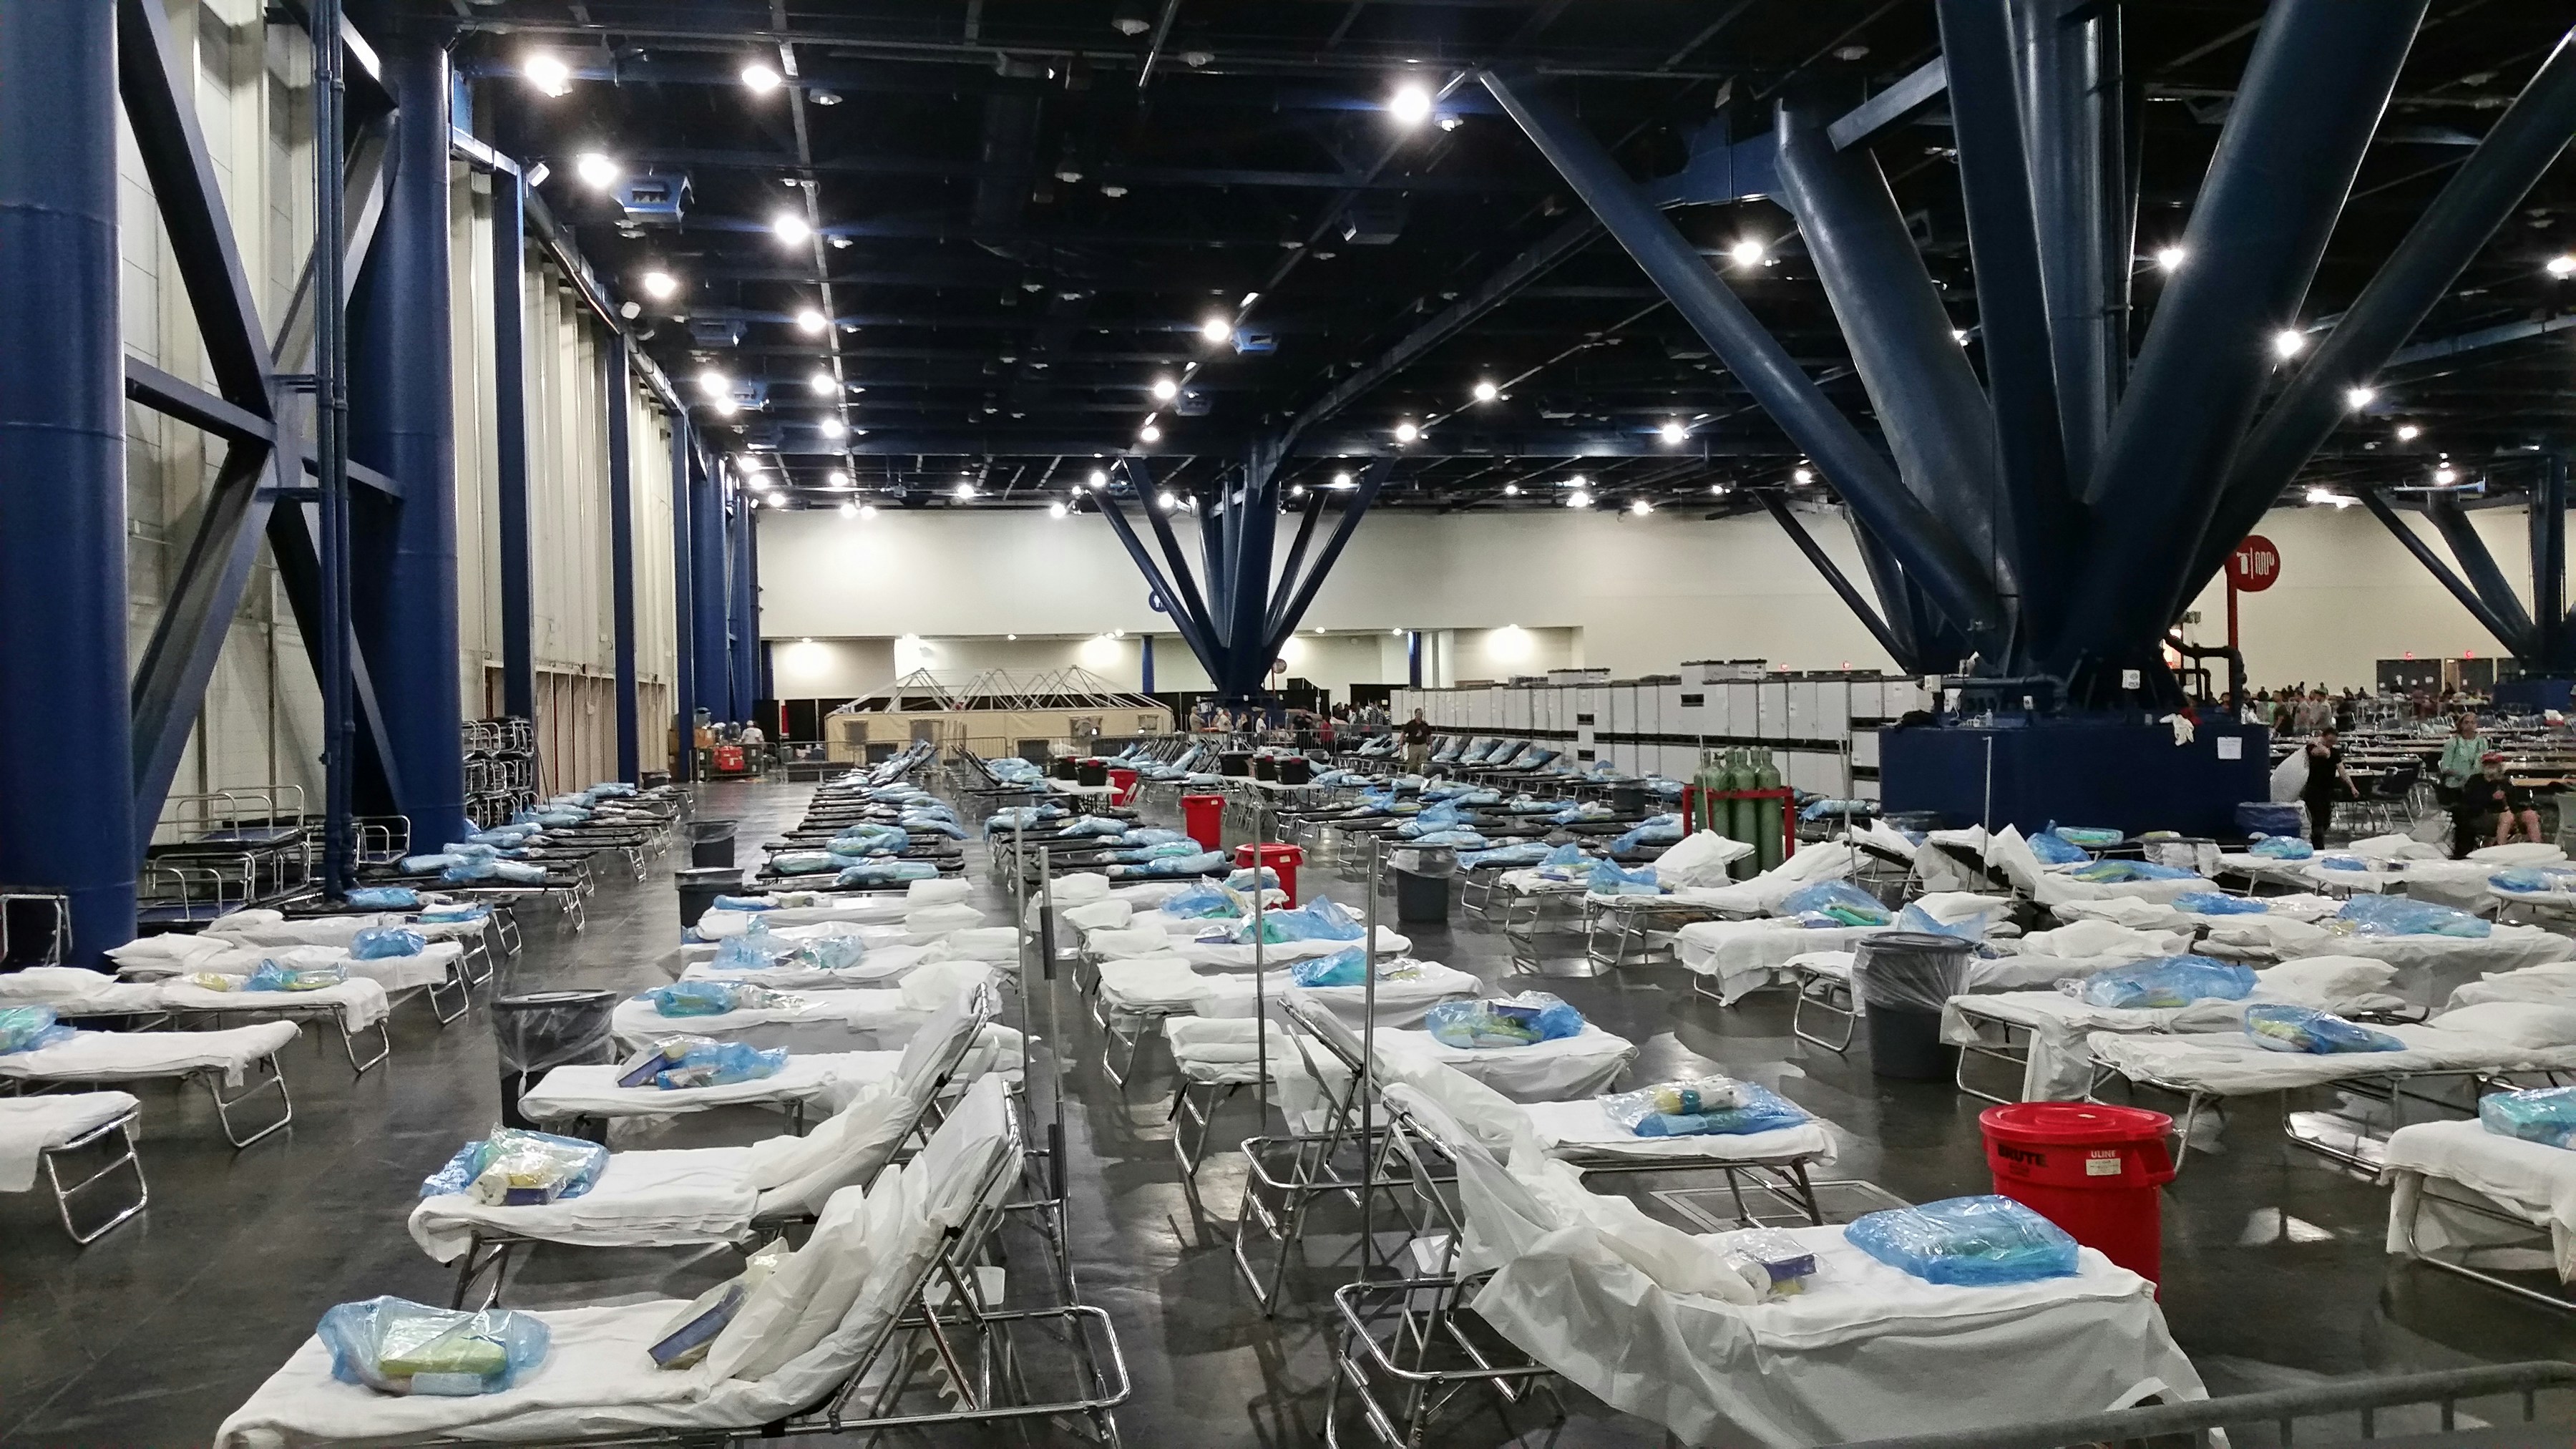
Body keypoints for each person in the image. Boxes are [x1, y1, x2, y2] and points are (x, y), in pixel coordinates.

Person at [2454, 752, 2544, 855]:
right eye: (2488, 764)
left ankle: (2539, 849)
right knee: (2507, 817)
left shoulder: (2505, 782)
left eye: (2493, 764)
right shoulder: (2475, 780)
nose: (2490, 767)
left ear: (2499, 766)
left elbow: (2515, 804)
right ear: (2483, 766)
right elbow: (2469, 802)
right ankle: (2501, 851)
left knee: (2530, 815)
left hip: (2509, 815)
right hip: (2483, 817)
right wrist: (2490, 798)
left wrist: (2521, 805)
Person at [2299, 726, 2357, 849]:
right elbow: (2324, 753)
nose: (2331, 744)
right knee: (2317, 820)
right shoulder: (2311, 749)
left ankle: (2317, 841)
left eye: (2334, 742)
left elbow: (2342, 772)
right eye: (2329, 741)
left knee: (2326, 821)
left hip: (2327, 791)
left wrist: (2352, 787)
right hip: (2313, 790)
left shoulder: (2334, 753)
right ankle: (2318, 847)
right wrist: (2318, 742)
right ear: (2323, 737)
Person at [2436, 711, 2490, 805]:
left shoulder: (2482, 742)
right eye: (2466, 722)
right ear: (2460, 725)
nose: (2470, 725)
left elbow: (2486, 763)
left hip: (2477, 784)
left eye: (2473, 722)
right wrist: (2463, 776)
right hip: (2456, 785)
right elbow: (2445, 767)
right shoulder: (2453, 743)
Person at [1398, 708, 1434, 773]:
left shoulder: (1425, 725)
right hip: (1413, 746)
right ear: (1415, 714)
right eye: (1418, 714)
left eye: (1421, 714)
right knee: (1412, 764)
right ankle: (1412, 776)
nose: (1420, 716)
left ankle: (1421, 776)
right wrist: (1401, 744)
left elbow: (1429, 735)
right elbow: (1403, 733)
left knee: (1423, 764)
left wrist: (1430, 745)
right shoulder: (1410, 724)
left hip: (1423, 746)